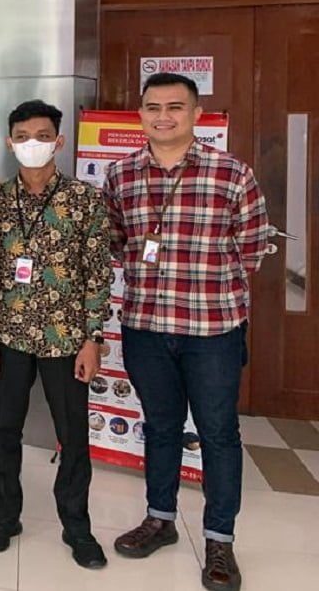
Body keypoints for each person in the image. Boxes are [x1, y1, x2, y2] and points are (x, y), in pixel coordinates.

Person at [104, 73, 269, 591]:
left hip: (212, 330)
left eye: (175, 107)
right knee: (160, 427)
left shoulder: (232, 173)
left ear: (197, 114)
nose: (163, 116)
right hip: (146, 328)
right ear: (140, 115)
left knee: (218, 433)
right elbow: (116, 241)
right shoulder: (121, 175)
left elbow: (252, 249)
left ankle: (219, 541)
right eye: (153, 107)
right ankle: (160, 519)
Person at [0, 100, 110, 568]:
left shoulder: (84, 199)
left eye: (42, 136)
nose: (31, 144)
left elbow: (98, 273)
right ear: (9, 142)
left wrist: (93, 338)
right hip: (9, 335)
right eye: (22, 136)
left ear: (59, 141)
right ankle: (5, 515)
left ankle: (77, 525)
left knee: (73, 435)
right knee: (4, 430)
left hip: (66, 337)